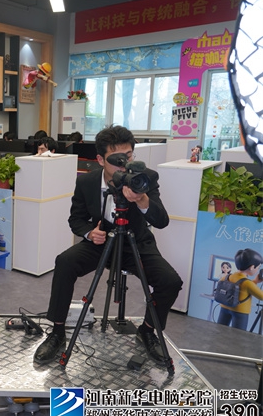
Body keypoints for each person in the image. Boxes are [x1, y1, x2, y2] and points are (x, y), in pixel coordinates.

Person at [33, 125, 182, 366]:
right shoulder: (87, 182)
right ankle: (57, 332)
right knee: (65, 262)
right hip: (102, 240)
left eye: (129, 156)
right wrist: (89, 233)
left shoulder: (145, 178)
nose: (125, 165)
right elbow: (76, 219)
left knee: (170, 281)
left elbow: (162, 221)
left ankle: (147, 330)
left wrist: (143, 200)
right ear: (101, 160)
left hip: (136, 241)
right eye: (117, 159)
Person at [216, 249, 263, 330]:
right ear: (252, 267)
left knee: (219, 330)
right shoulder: (248, 283)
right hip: (240, 311)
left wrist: (255, 281)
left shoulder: (226, 277)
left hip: (224, 307)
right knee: (238, 334)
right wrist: (254, 282)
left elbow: (241, 286)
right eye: (258, 267)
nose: (258, 270)